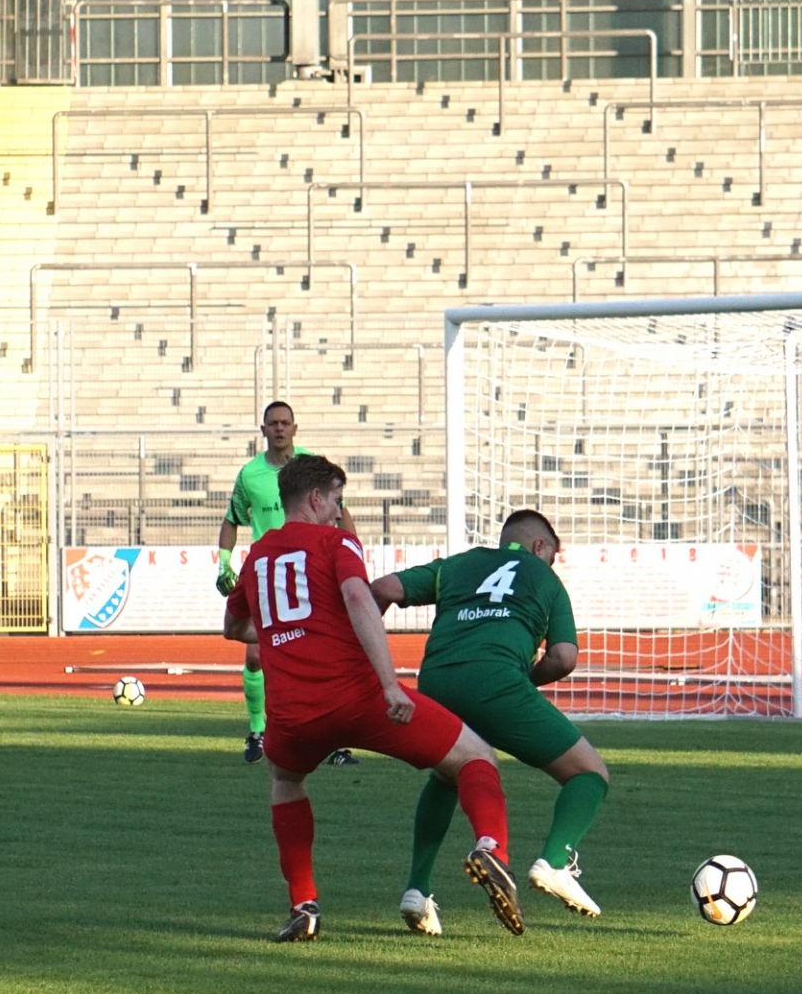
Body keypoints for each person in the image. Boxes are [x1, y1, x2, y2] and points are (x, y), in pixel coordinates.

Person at [224, 455, 523, 941]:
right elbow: (359, 597)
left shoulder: (257, 557)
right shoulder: (336, 541)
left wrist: (287, 631)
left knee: (285, 781)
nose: (339, 512)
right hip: (359, 699)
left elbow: (234, 627)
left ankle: (304, 904)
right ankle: (492, 849)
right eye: (337, 501)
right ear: (316, 498)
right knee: (475, 757)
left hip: (292, 715)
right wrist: (389, 684)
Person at [372, 509, 611, 934]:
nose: (551, 563)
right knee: (589, 773)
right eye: (552, 556)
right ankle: (555, 862)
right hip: (498, 680)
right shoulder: (545, 578)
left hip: (437, 681)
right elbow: (563, 657)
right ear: (539, 546)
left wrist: (368, 655)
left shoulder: (458, 565)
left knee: (450, 773)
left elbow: (383, 588)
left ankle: (417, 891)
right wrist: (524, 682)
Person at [216, 400, 358, 767]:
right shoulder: (250, 475)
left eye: (285, 422)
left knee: (321, 651)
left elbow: (340, 511)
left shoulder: (312, 467)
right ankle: (257, 730)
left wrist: (353, 552)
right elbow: (232, 518)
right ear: (263, 430)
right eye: (273, 423)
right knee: (256, 654)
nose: (279, 428)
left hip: (312, 569)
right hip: (269, 571)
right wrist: (224, 562)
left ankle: (333, 740)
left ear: (295, 428)